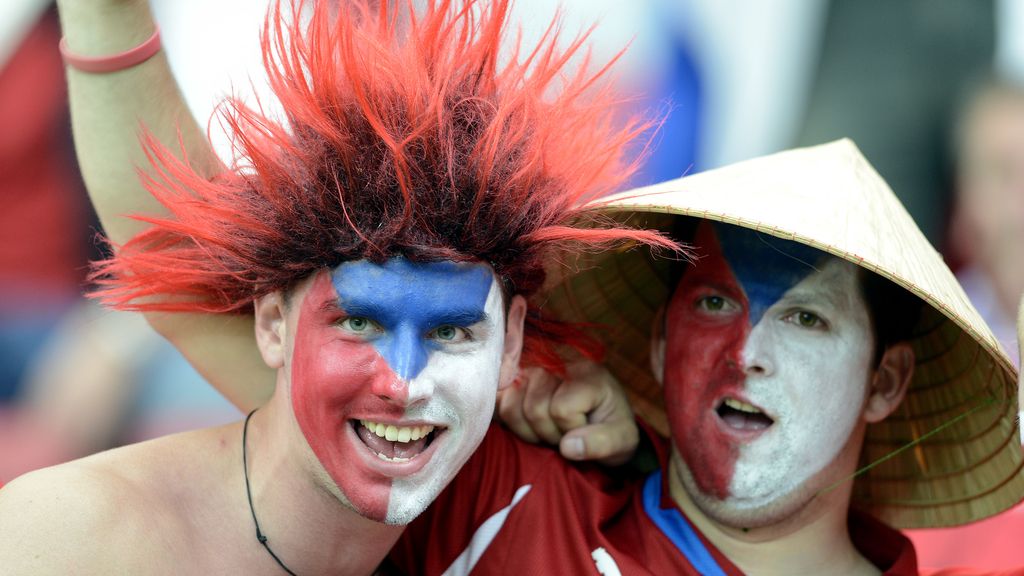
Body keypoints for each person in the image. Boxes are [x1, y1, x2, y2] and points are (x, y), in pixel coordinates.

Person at [0, 0, 674, 573]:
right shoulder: (67, 537)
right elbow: (174, 242)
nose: (402, 383)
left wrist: (641, 435)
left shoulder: (498, 486)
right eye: (358, 323)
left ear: (511, 344)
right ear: (271, 323)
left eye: (450, 330)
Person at [389, 140, 1024, 575]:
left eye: (807, 318)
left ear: (884, 382)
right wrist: (469, 398)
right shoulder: (501, 490)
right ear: (662, 343)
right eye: (717, 303)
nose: (746, 355)